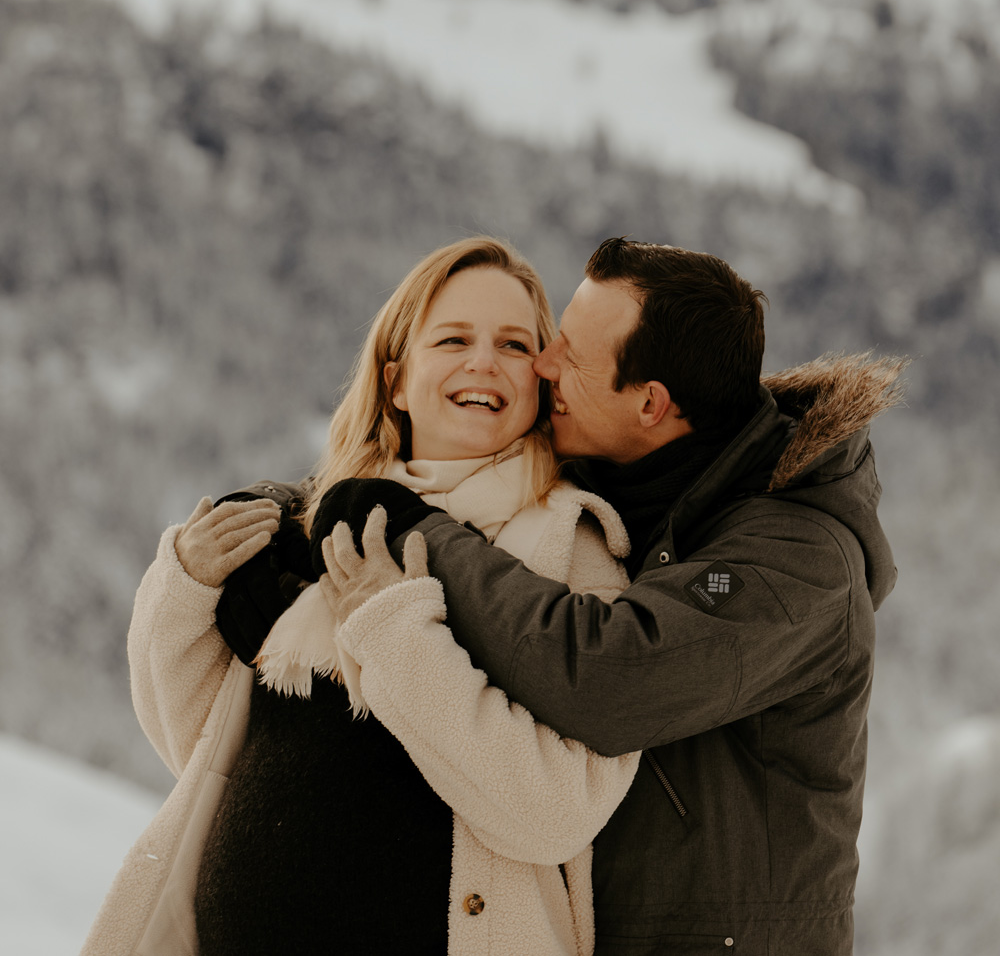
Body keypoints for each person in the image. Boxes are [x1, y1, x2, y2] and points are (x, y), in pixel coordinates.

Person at [314, 237, 902, 956]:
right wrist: (286, 517)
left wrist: (418, 530)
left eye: (570, 354)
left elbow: (607, 672)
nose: (543, 364)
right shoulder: (627, 469)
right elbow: (457, 473)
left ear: (651, 403)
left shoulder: (792, 566)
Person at [82, 237, 640, 956]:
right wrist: (184, 589)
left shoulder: (573, 550)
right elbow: (193, 740)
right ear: (397, 378)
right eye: (453, 338)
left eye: (512, 343)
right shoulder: (318, 527)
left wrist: (396, 633)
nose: (483, 361)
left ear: (540, 383)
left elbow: (558, 810)